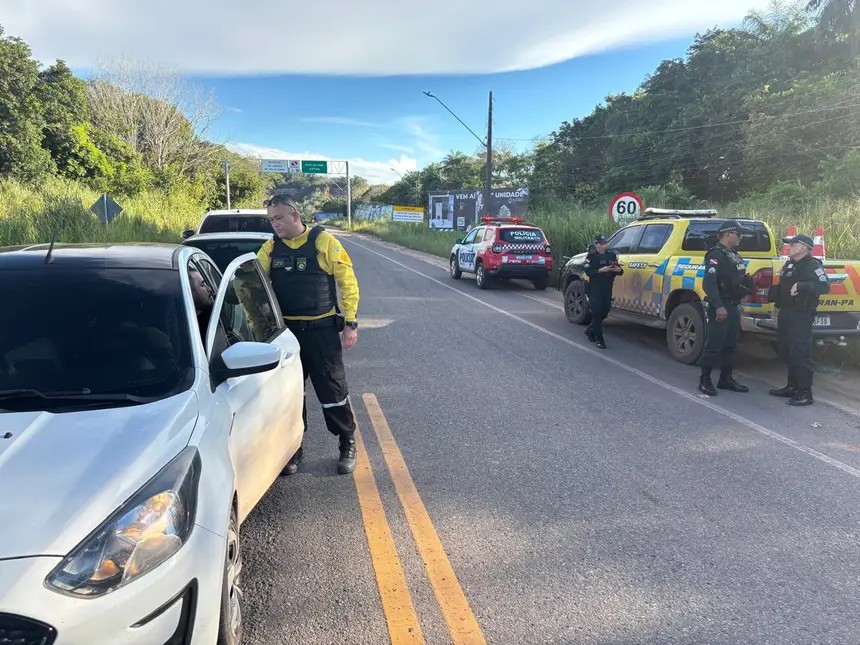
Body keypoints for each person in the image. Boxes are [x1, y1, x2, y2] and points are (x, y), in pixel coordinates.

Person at [258, 193, 360, 475]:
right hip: (287, 335)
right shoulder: (270, 249)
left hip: (321, 332)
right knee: (291, 395)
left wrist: (351, 323)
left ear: (295, 215)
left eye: (278, 218)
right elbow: (252, 287)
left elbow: (347, 281)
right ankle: (293, 449)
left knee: (333, 391)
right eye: (270, 220)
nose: (275, 224)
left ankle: (346, 441)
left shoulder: (324, 242)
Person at [767, 234, 830, 406]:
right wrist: (776, 306)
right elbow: (783, 287)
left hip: (801, 314)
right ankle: (792, 386)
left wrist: (802, 286)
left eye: (793, 244)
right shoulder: (790, 263)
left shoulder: (812, 265)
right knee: (787, 350)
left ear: (804, 247)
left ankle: (805, 392)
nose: (790, 247)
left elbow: (825, 286)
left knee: (800, 352)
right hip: (787, 312)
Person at [698, 220, 755, 396]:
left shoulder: (733, 254)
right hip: (720, 306)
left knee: (731, 345)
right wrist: (719, 306)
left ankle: (726, 379)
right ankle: (705, 380)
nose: (740, 237)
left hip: (733, 305)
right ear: (728, 233)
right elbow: (709, 283)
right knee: (715, 344)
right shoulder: (716, 254)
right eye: (738, 234)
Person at [583, 234, 623, 349]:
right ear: (596, 245)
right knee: (596, 313)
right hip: (595, 288)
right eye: (600, 243)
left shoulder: (611, 255)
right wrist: (601, 270)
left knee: (605, 311)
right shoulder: (591, 257)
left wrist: (617, 269)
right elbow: (588, 271)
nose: (603, 245)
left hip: (607, 288)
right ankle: (599, 340)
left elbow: (620, 271)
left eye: (604, 243)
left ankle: (591, 330)